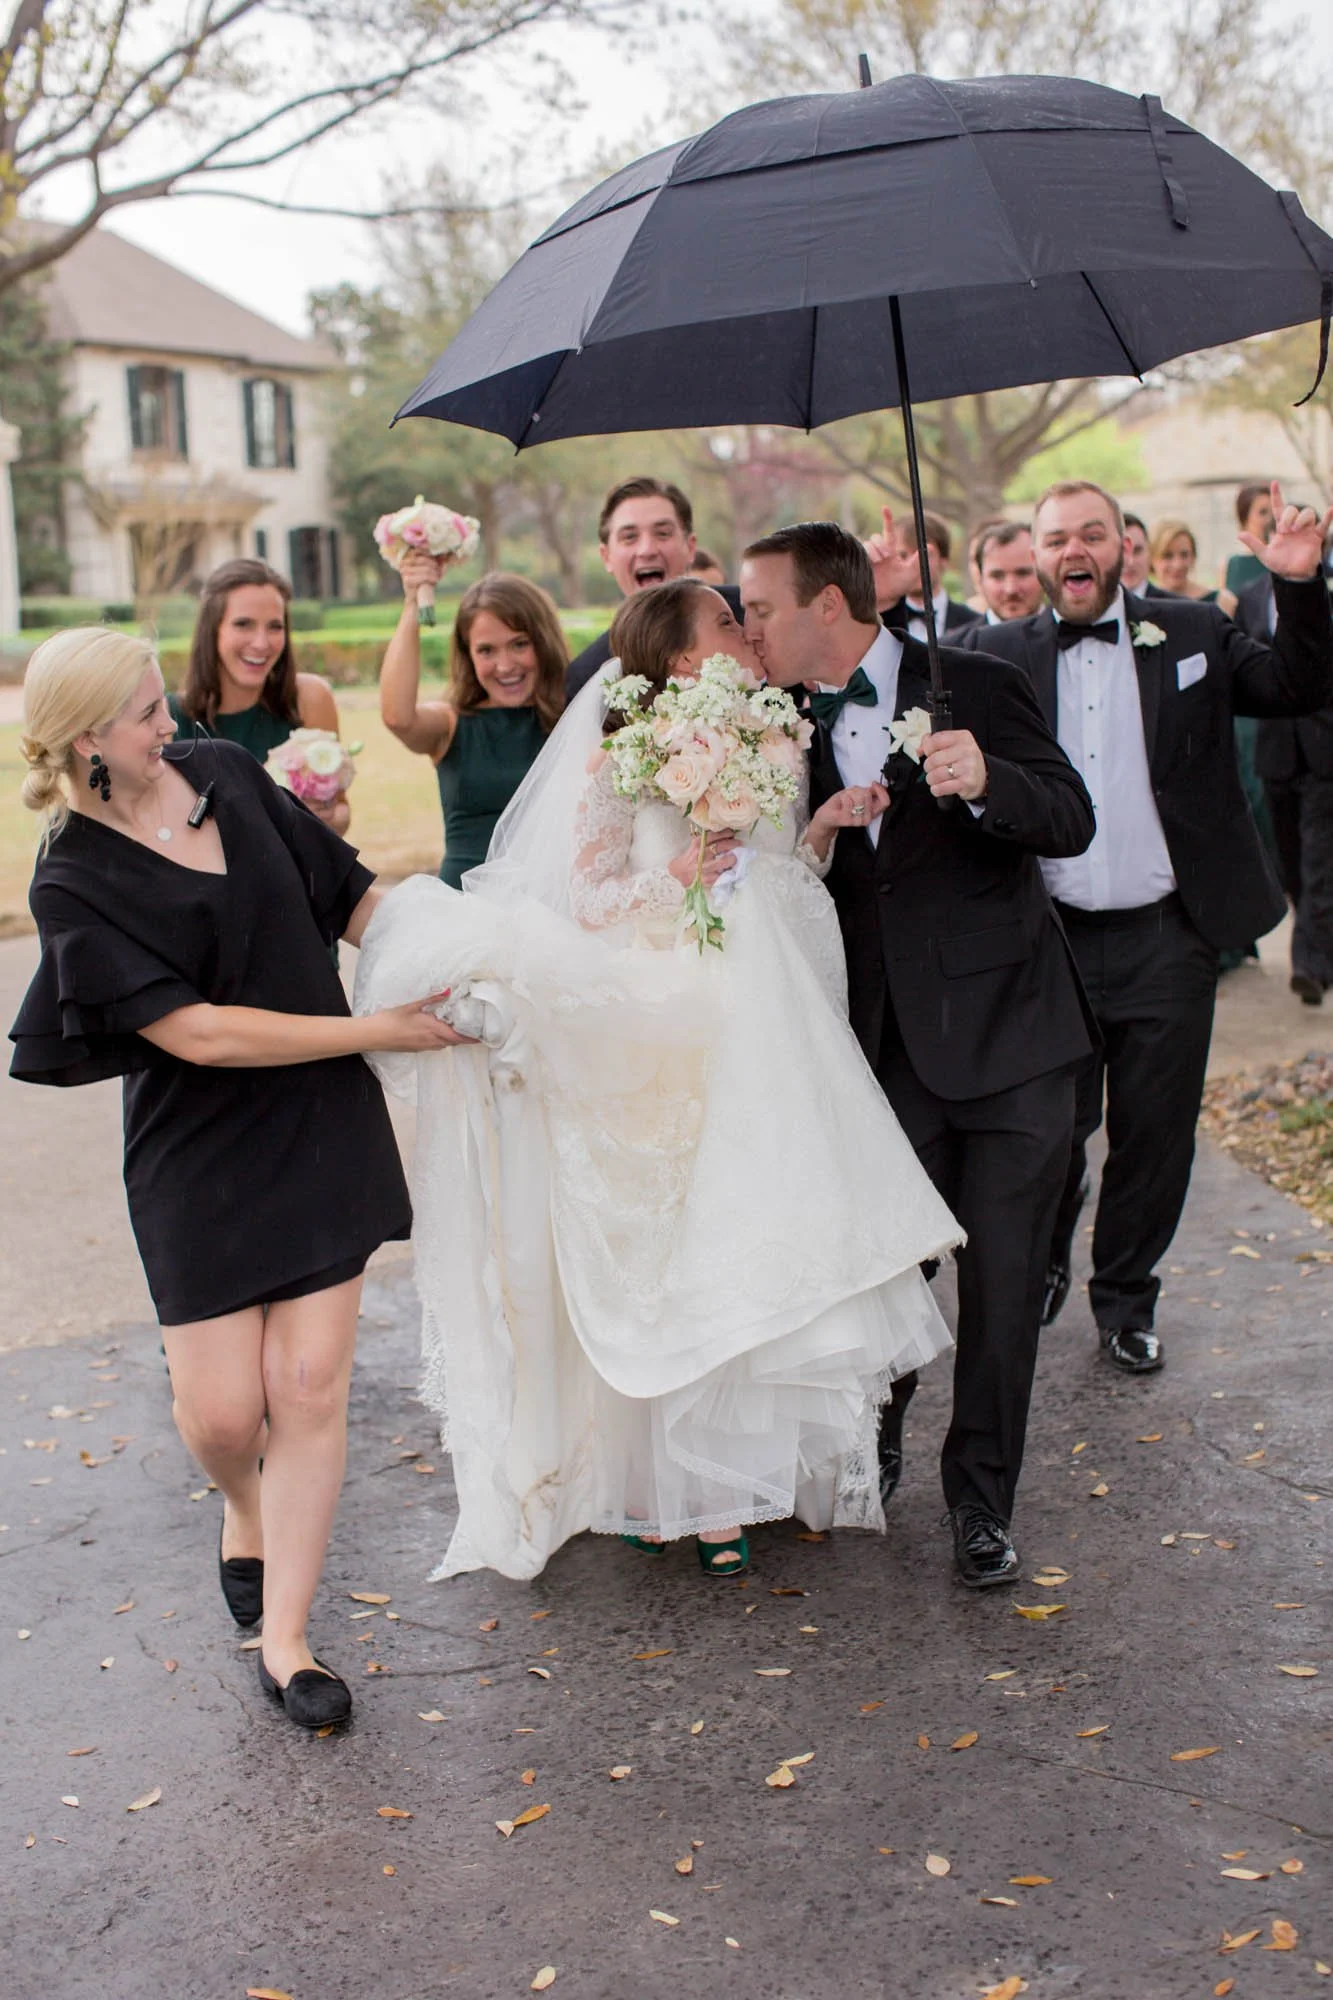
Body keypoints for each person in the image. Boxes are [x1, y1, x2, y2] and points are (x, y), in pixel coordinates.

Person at [353, 576, 962, 1584]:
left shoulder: (779, 731)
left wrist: (825, 825)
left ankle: (758, 1469)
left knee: (765, 1221)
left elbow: (779, 866)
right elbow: (587, 895)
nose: (746, 628)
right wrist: (671, 878)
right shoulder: (622, 747)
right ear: (680, 656)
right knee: (679, 1235)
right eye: (726, 621)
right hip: (671, 1005)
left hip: (778, 1000)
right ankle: (673, 1485)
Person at [9, 629, 469, 1730]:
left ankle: (288, 1639)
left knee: (308, 1388)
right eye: (148, 712)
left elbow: (351, 895)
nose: (173, 725)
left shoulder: (225, 774)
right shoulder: (70, 877)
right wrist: (374, 1029)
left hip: (319, 1123)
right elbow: (200, 1035)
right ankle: (246, 1505)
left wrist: (463, 953)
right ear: (89, 741)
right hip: (197, 1151)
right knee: (221, 1415)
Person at [740, 522, 1096, 1589]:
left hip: (1017, 1041)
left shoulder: (976, 682)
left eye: (760, 606)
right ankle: (876, 1438)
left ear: (829, 606)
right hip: (883, 1056)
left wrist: (987, 780)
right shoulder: (769, 727)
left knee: (996, 1296)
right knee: (887, 1278)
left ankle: (980, 1504)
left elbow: (1068, 816)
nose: (749, 625)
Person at [965, 479, 1333, 1373]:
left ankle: (1124, 1298)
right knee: (1047, 1130)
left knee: (1153, 1133)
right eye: (1056, 539)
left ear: (1121, 547)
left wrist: (1296, 584)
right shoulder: (990, 655)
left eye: (1091, 533)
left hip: (1168, 934)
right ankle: (1048, 1249)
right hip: (1042, 942)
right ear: (1037, 553)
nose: (1072, 551)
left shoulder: (1193, 631)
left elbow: (1297, 682)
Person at [379, 569, 566, 888]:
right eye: (486, 650)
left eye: (519, 644)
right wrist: (413, 602)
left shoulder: (574, 718)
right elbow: (398, 716)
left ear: (543, 642)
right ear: (468, 655)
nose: (505, 665)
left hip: (551, 905)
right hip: (465, 908)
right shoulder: (451, 725)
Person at [171, 558, 349, 832]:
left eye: (275, 627)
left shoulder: (309, 699)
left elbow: (341, 814)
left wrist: (322, 817)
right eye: (244, 624)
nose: (262, 643)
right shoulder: (170, 719)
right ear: (212, 629)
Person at [1238, 573, 1333, 1006]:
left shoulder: (1325, 596)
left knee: (1319, 861)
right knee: (1291, 862)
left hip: (1323, 753)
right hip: (1275, 753)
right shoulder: (1250, 598)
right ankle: (1320, 941)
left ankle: (1309, 966)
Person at [565, 477, 743, 700]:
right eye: (629, 537)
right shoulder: (588, 675)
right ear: (606, 556)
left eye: (663, 533)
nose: (647, 550)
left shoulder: (750, 616)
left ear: (690, 546)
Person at [871, 507, 982, 638]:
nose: (914, 564)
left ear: (944, 560)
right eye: (903, 555)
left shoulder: (975, 624)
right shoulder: (876, 623)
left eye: (924, 555)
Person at [1148, 519, 1237, 616]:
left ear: (1193, 556)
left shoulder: (1222, 602)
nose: (1177, 565)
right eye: (1167, 556)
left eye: (1184, 555)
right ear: (1151, 559)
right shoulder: (1142, 603)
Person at [974, 521, 1044, 624]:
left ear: (1045, 574)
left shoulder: (1074, 638)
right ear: (980, 580)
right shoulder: (956, 640)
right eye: (997, 576)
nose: (1011, 590)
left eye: (1022, 574)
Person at [1225, 482, 1277, 598]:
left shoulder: (1282, 561)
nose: (1270, 519)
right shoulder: (1232, 564)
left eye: (1273, 512)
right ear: (1244, 519)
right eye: (1263, 512)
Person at [1121, 513, 1154, 595]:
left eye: (1137, 551)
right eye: (1123, 552)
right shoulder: (1091, 606)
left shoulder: (1175, 605)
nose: (1131, 562)